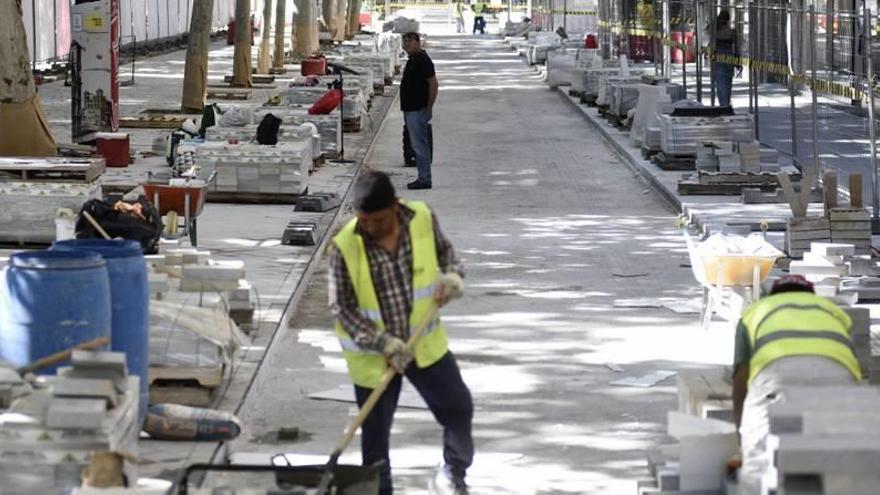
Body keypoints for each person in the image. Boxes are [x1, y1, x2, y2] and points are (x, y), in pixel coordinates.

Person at [328, 171, 474, 495]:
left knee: (459, 408)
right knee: (375, 441)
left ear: (395, 206)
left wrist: (452, 277)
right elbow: (343, 309)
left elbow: (448, 256)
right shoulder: (344, 246)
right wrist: (385, 343)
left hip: (423, 343)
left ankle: (453, 471)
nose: (371, 228)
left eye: (378, 221)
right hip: (376, 356)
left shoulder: (421, 218)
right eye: (365, 221)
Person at [732, 275, 861, 493]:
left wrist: (744, 441)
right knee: (842, 475)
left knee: (758, 471)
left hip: (776, 382)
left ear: (772, 296)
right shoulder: (830, 311)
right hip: (838, 383)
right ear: (811, 296)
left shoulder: (755, 312)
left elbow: (740, 383)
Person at [400, 32, 438, 190]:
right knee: (417, 144)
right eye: (405, 43)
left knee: (420, 145)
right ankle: (423, 177)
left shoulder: (423, 60)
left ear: (418, 42)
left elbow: (433, 84)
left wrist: (428, 108)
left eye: (410, 42)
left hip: (418, 109)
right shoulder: (413, 60)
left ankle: (425, 179)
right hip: (410, 109)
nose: (407, 45)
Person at [712, 10, 739, 107]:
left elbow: (711, 44)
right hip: (729, 56)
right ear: (728, 20)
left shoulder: (716, 31)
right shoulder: (732, 32)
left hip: (719, 56)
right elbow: (736, 48)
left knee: (720, 82)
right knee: (728, 82)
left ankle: (722, 104)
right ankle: (726, 103)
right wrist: (738, 62)